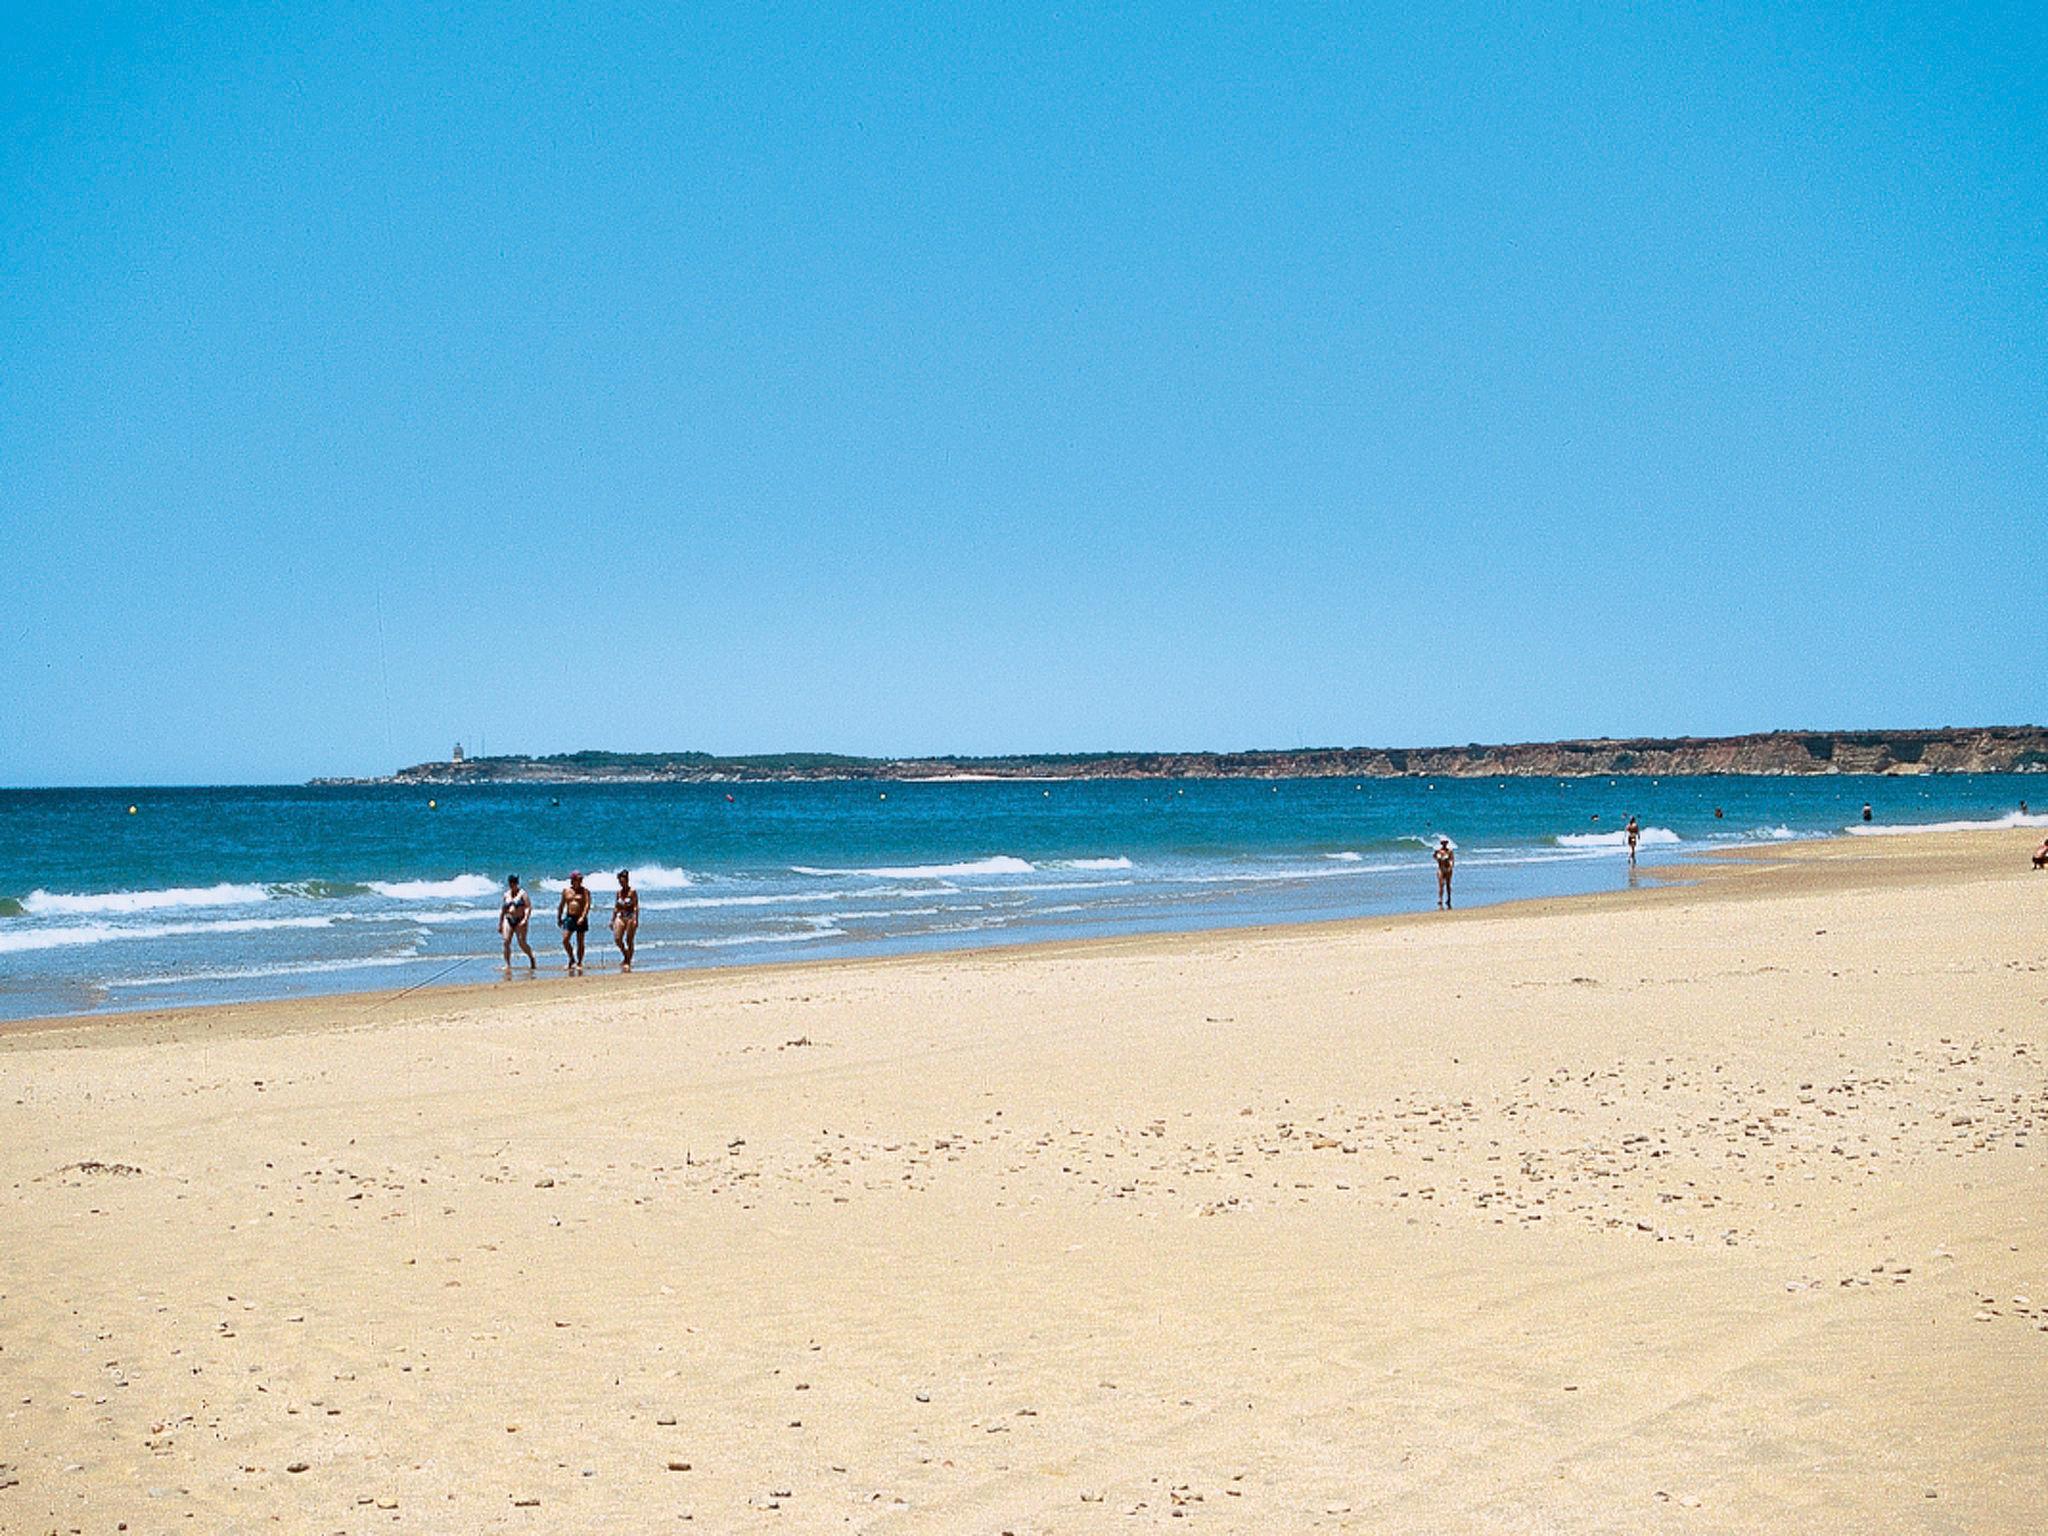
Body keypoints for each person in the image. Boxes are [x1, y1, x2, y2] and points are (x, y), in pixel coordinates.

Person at [557, 870, 592, 972]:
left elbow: (587, 905)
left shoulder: (585, 891)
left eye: (580, 879)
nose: (580, 881)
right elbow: (561, 905)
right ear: (573, 880)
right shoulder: (566, 891)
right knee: (565, 940)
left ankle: (580, 962)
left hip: (580, 917)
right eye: (578, 879)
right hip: (569, 917)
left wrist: (583, 916)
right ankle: (571, 959)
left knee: (580, 941)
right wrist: (559, 917)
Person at [499, 875, 535, 970]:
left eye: (514, 883)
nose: (512, 885)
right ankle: (507, 964)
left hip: (520, 920)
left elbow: (528, 907)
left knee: (521, 943)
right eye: (511, 883)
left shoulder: (523, 894)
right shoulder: (506, 894)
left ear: (517, 883)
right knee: (506, 941)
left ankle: (531, 957)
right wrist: (500, 923)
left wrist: (525, 919)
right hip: (509, 919)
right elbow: (503, 910)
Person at [611, 869, 640, 971]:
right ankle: (626, 954)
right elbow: (616, 907)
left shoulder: (632, 892)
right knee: (618, 939)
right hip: (621, 916)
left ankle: (628, 960)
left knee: (629, 940)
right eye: (620, 881)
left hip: (630, 916)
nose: (622, 882)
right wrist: (612, 919)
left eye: (623, 880)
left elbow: (636, 906)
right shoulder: (619, 893)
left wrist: (636, 919)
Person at [1433, 837, 1455, 910]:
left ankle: (1449, 899)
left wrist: (1450, 868)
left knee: (1448, 885)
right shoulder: (1438, 851)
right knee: (1441, 885)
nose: (1444, 844)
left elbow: (1452, 860)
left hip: (1447, 869)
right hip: (1440, 869)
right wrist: (1435, 854)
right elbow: (1435, 858)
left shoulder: (1449, 851)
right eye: (1443, 843)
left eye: (1445, 843)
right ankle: (1440, 899)